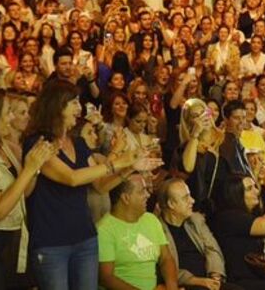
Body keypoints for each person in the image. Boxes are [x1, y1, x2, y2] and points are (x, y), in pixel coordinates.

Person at [25, 80, 162, 290]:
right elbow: (72, 178)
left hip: (85, 237)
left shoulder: (78, 143)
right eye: (73, 103)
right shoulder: (38, 142)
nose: (79, 108)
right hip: (52, 241)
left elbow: (100, 186)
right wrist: (119, 161)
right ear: (56, 106)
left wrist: (129, 168)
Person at [0, 88, 56, 290]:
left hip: (11, 240)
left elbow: (22, 194)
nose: (12, 117)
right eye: (8, 111)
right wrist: (29, 169)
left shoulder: (2, 145)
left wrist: (35, 167)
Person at [97, 173, 178, 290]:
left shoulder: (151, 219)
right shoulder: (104, 229)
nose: (148, 195)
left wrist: (172, 287)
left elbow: (166, 258)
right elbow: (106, 278)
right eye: (142, 191)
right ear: (125, 198)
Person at [155, 178, 237, 290]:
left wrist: (215, 276)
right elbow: (165, 269)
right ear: (171, 204)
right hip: (184, 284)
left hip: (209, 280)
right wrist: (197, 281)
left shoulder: (196, 220)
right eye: (186, 198)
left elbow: (212, 249)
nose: (192, 200)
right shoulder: (157, 228)